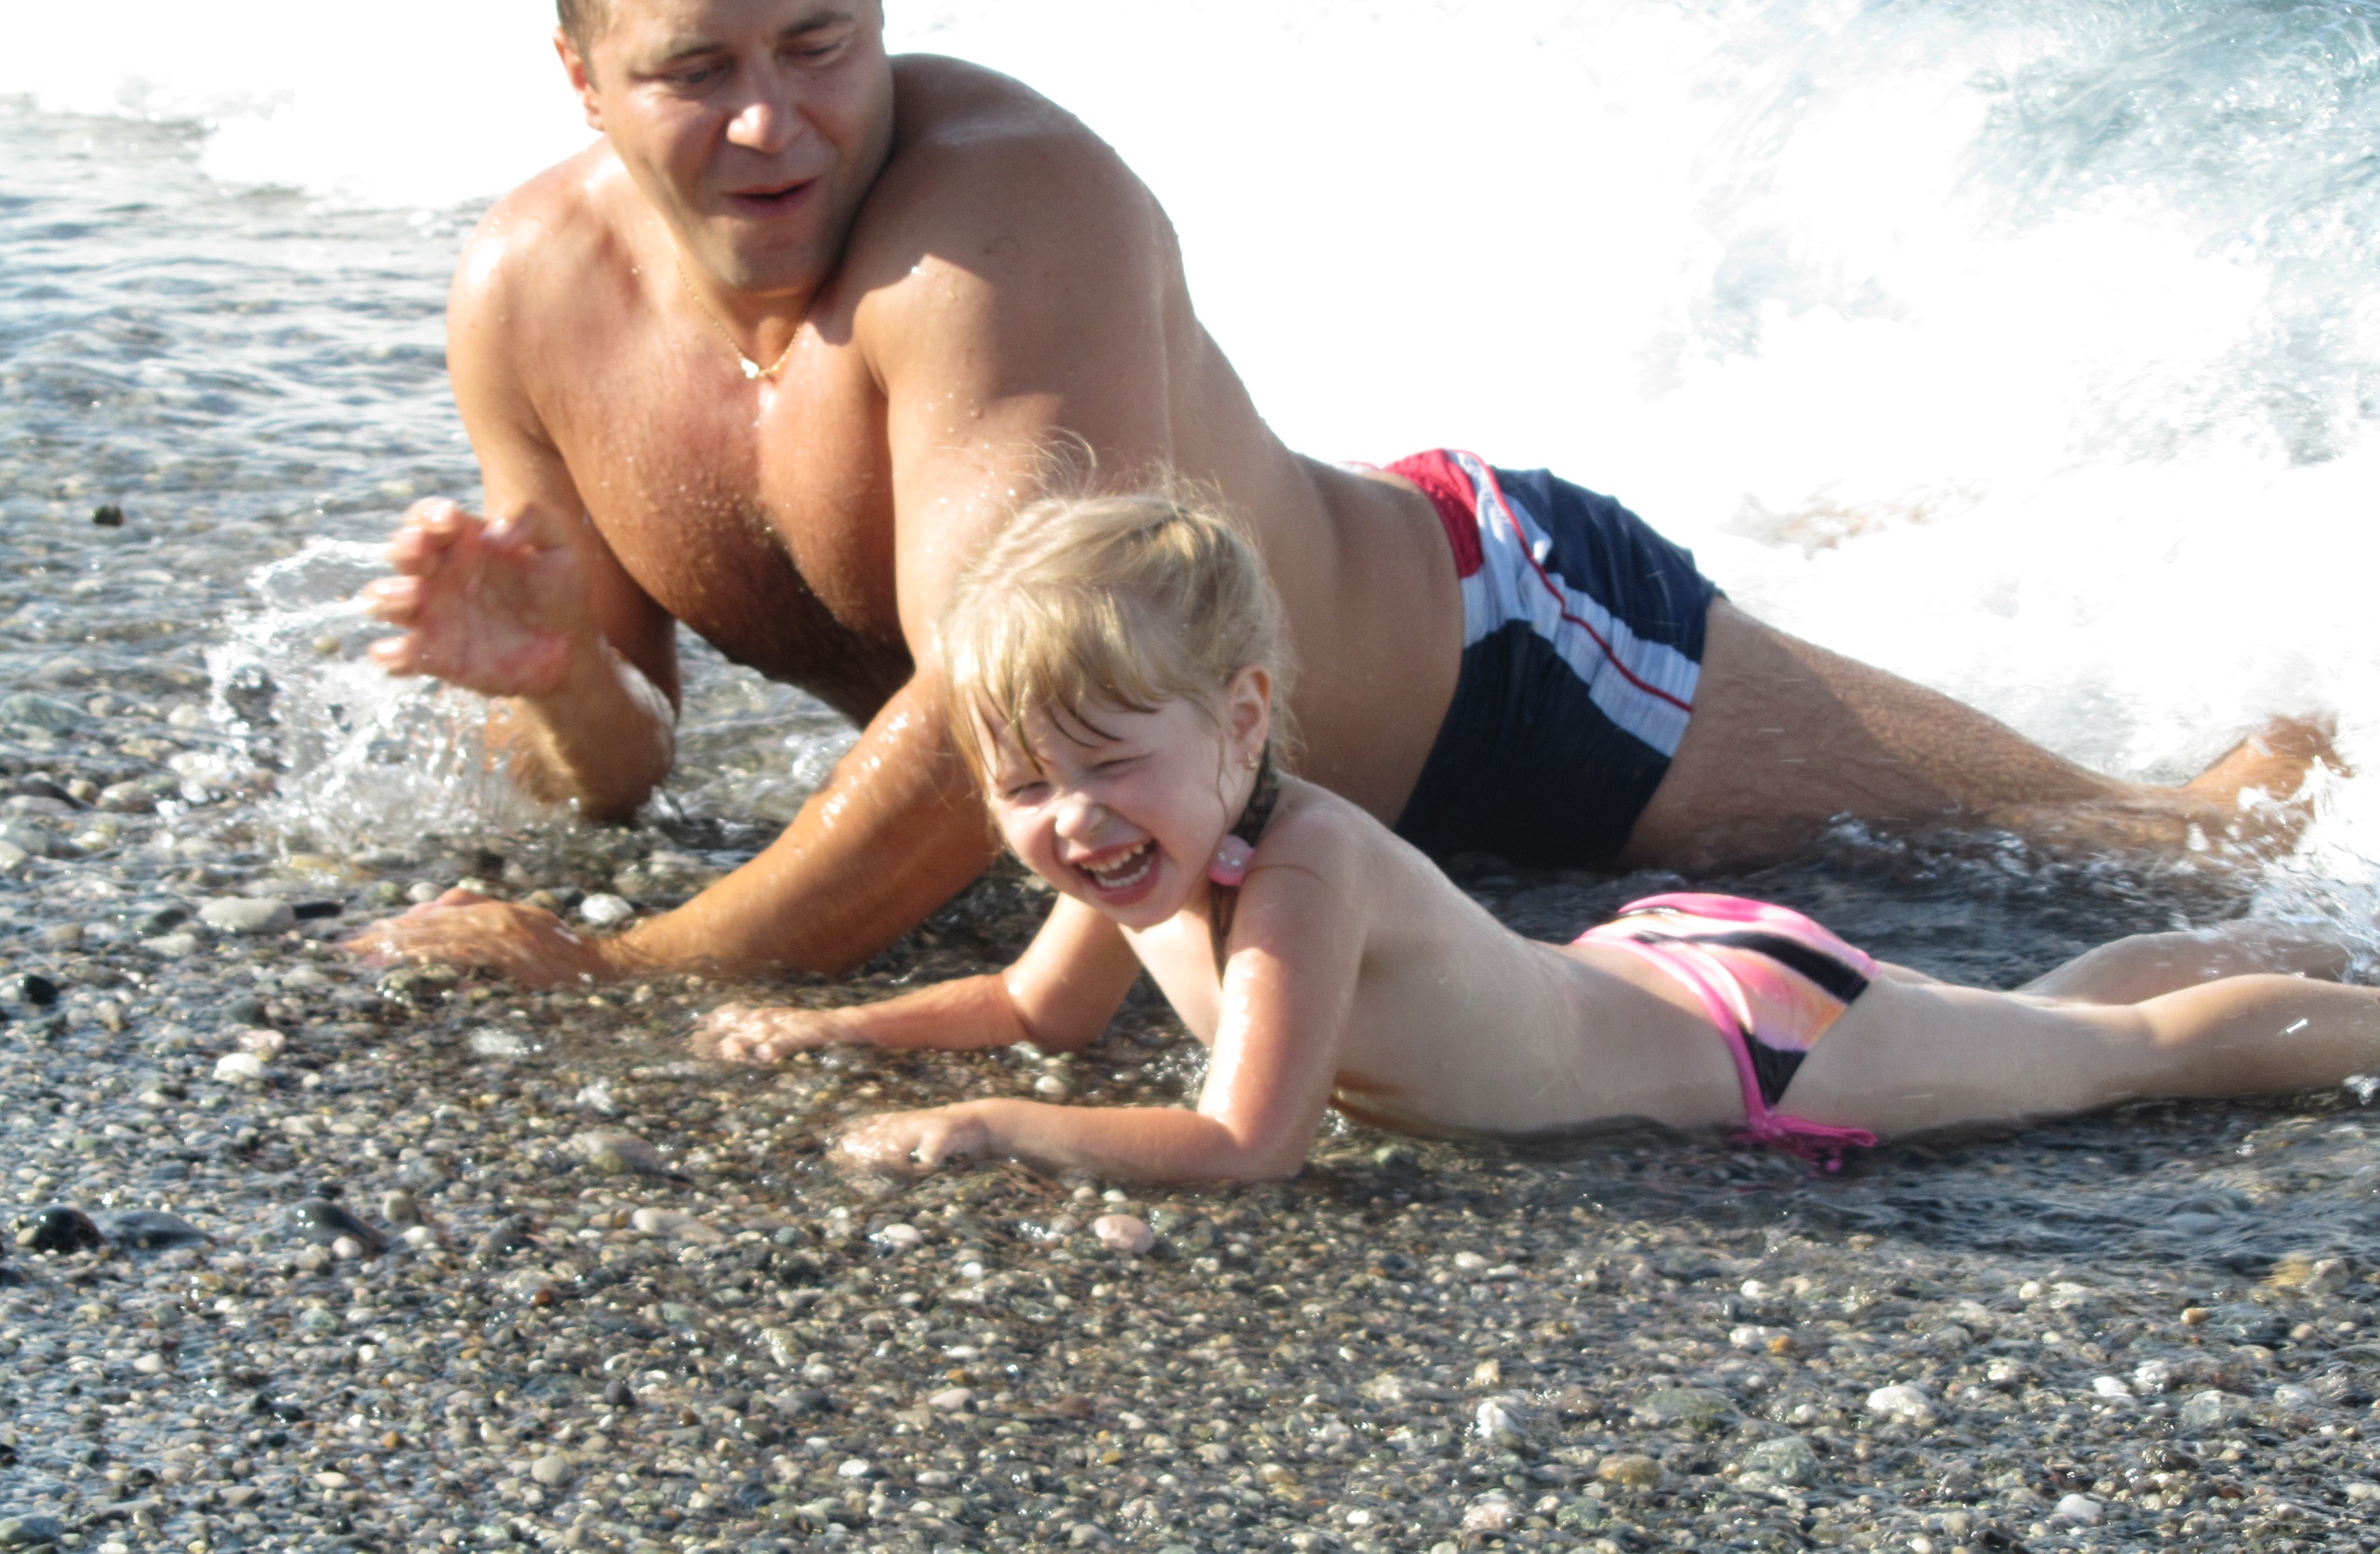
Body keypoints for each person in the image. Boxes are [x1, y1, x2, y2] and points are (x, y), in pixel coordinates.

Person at [352, 0, 2330, 991]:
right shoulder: (530, 303)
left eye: (820, 44)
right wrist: (560, 681)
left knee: (2124, 848)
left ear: (883, 18)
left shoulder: (1001, 222)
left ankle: (2317, 734)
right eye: (696, 70)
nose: (774, 120)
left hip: (1503, 666)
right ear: (581, 78)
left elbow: (993, 719)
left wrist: (625, 966)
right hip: (1212, 798)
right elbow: (621, 772)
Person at [692, 494, 2378, 1183]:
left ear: (1245, 725)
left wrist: (997, 1132)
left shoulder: (1300, 875)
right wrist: (845, 1033)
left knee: (2116, 1060)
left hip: (1747, 1044)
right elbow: (1037, 1008)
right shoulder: (1140, 857)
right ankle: (2304, 928)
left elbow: (1244, 1142)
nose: (1066, 818)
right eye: (1019, 785)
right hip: (1646, 975)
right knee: (2051, 1016)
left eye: (1108, 764)